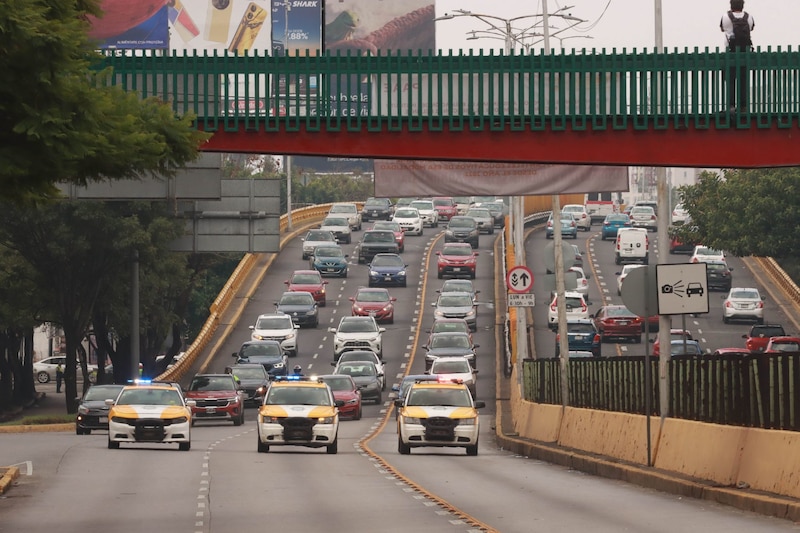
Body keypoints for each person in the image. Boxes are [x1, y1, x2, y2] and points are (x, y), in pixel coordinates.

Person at [720, 0, 755, 112]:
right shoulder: (748, 17)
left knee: (730, 79)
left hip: (731, 52)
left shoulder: (726, 17)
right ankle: (743, 105)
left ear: (731, 4)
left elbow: (722, 28)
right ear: (742, 5)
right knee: (743, 78)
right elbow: (752, 27)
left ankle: (731, 105)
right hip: (744, 53)